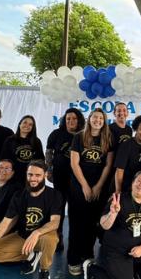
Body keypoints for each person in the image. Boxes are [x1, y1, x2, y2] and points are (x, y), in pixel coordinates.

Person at [0, 161, 62, 279]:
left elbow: (55, 222)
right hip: (22, 236)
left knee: (50, 240)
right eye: (30, 175)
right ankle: (32, 255)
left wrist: (36, 233)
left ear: (45, 175)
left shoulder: (54, 195)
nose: (33, 179)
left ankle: (44, 271)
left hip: (43, 235)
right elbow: (5, 223)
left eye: (37, 175)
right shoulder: (19, 195)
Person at [83, 172, 141, 279]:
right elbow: (104, 225)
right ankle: (92, 268)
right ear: (132, 183)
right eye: (139, 181)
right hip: (117, 250)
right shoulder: (118, 199)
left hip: (137, 250)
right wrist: (113, 213)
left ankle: (134, 270)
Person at [67, 107, 114, 275]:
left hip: (98, 187)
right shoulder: (79, 137)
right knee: (76, 223)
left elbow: (108, 164)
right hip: (79, 187)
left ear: (104, 121)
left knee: (92, 223)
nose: (97, 121)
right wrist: (85, 186)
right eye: (95, 117)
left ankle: (87, 255)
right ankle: (73, 259)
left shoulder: (107, 137)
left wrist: (98, 186)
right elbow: (74, 163)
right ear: (89, 119)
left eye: (101, 119)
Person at [46, 107, 85, 251]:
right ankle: (58, 236)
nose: (71, 121)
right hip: (60, 176)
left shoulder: (83, 135)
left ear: (79, 120)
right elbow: (49, 153)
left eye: (74, 118)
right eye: (68, 119)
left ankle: (76, 238)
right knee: (59, 208)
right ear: (64, 120)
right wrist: (49, 170)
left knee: (76, 208)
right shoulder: (56, 134)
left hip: (77, 178)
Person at [0, 115, 44, 186]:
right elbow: (3, 159)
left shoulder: (36, 141)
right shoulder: (10, 140)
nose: (27, 125)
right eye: (25, 122)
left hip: (29, 178)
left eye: (30, 124)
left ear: (33, 128)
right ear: (20, 124)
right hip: (12, 177)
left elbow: (40, 160)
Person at [114, 116, 141, 193]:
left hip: (139, 188)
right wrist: (118, 191)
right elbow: (119, 170)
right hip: (124, 187)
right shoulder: (126, 145)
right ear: (136, 129)